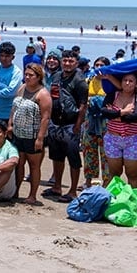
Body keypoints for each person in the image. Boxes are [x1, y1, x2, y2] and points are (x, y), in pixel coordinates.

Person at [43, 49, 88, 202]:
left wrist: (77, 126)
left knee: (73, 159)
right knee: (56, 156)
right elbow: (52, 97)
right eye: (65, 61)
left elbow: (83, 106)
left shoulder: (80, 81)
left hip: (71, 125)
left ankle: (73, 190)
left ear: (76, 63)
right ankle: (57, 186)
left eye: (71, 61)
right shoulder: (56, 76)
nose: (67, 64)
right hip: (55, 123)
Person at [7, 63, 51, 204]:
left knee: (34, 166)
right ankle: (16, 191)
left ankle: (32, 195)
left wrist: (40, 138)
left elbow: (45, 118)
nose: (27, 77)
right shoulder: (21, 88)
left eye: (31, 75)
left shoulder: (43, 94)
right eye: (26, 74)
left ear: (38, 77)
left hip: (32, 136)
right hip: (18, 134)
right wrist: (10, 124)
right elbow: (14, 108)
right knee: (18, 164)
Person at [100, 72, 137, 189]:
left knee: (132, 175)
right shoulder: (113, 95)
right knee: (114, 174)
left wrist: (114, 114)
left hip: (133, 140)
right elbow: (104, 112)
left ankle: (133, 203)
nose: (127, 83)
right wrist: (124, 112)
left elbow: (136, 116)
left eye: (131, 81)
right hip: (112, 139)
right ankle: (111, 202)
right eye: (125, 80)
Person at [83, 56, 111, 189]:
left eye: (102, 65)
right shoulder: (89, 80)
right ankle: (88, 181)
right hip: (90, 119)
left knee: (106, 152)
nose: (99, 68)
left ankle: (106, 182)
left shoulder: (111, 82)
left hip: (105, 121)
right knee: (89, 151)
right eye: (97, 65)